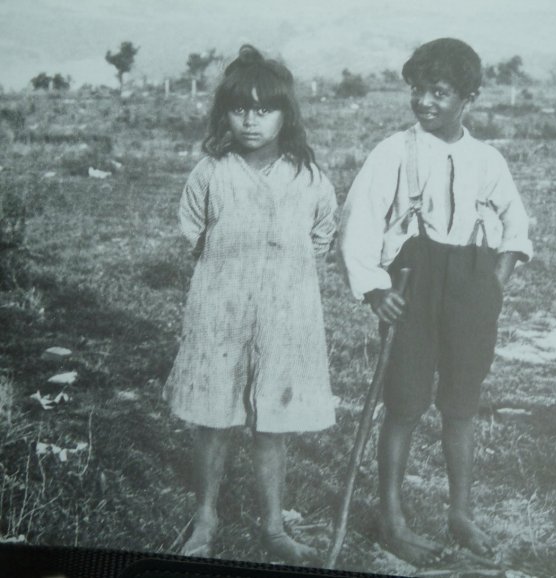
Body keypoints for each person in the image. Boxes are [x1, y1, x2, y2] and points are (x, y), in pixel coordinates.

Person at [339, 38, 533, 565]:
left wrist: (497, 276)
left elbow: (515, 223)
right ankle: (392, 518)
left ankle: (461, 511)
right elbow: (358, 222)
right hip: (412, 280)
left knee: (461, 403)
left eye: (440, 92)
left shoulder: (486, 158)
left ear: (468, 97)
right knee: (403, 402)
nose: (424, 101)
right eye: (418, 90)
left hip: (471, 284)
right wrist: (376, 289)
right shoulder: (394, 151)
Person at [163, 45, 337, 564]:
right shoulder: (212, 173)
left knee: (272, 423)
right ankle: (206, 517)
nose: (252, 120)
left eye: (265, 110)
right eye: (241, 109)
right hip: (220, 314)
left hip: (286, 317)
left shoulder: (308, 178)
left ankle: (273, 525)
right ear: (225, 114)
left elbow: (322, 235)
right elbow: (194, 230)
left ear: (287, 115)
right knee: (214, 417)